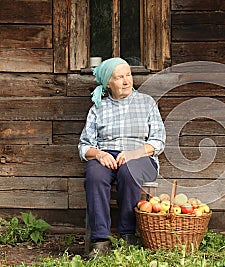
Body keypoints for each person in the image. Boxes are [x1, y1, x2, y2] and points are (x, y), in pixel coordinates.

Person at [78, 57, 166, 258]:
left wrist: (133, 154)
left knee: (129, 170)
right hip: (107, 156)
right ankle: (101, 239)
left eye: (128, 75)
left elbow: (158, 141)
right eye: (119, 77)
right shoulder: (98, 108)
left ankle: (128, 234)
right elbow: (84, 146)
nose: (127, 81)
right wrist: (99, 154)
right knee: (95, 174)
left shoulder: (146, 103)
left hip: (141, 157)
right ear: (108, 82)